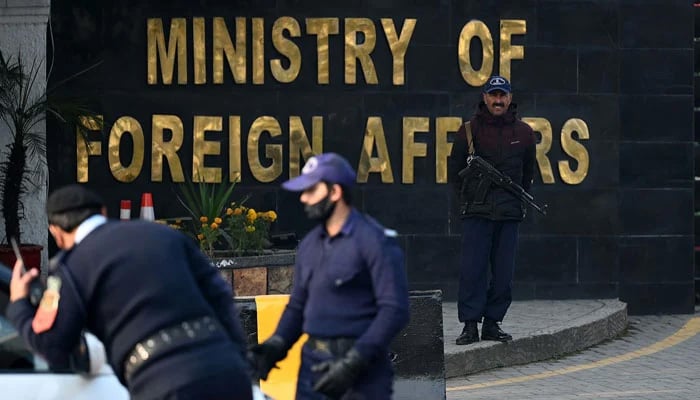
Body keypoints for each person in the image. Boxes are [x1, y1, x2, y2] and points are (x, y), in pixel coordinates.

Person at [7, 184, 254, 400]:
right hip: (228, 370)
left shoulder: (69, 268)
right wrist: (237, 356)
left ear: (55, 232)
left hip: (163, 384)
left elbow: (54, 347)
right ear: (102, 213)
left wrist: (18, 304)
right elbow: (221, 296)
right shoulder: (163, 234)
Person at [247, 152, 410, 399]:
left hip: (361, 376)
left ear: (335, 192)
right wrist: (276, 344)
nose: (303, 198)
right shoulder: (310, 244)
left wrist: (353, 363)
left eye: (312, 190)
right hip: (312, 368)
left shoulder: (374, 241)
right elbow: (298, 307)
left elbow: (395, 310)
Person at [448, 75, 536, 345]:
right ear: (484, 98)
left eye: (502, 95)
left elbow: (528, 174)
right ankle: (470, 325)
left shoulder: (524, 133)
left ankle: (493, 323)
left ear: (510, 98)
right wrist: (466, 202)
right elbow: (454, 174)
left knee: (503, 274)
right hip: (477, 211)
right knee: (472, 271)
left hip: (508, 214)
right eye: (493, 95)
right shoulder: (469, 131)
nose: (498, 100)